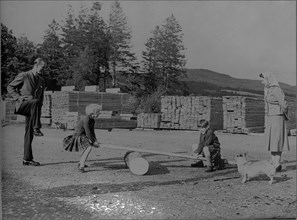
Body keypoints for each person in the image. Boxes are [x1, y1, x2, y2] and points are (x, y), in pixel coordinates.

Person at [7, 58, 46, 166]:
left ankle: (27, 159)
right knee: (35, 102)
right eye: (42, 68)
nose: (43, 70)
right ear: (36, 65)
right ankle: (37, 128)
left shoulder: (41, 80)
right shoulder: (24, 75)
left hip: (33, 108)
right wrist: (18, 98)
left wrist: (39, 109)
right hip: (23, 104)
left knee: (29, 134)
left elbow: (40, 98)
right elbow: (10, 87)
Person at [260, 71, 290, 172]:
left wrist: (283, 115)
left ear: (269, 79)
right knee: (272, 140)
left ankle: (277, 162)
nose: (262, 82)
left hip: (277, 117)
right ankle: (273, 162)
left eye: (263, 79)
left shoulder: (277, 89)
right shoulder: (267, 90)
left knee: (277, 140)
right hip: (270, 118)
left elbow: (284, 104)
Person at [63, 104, 102, 173]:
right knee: (89, 147)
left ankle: (81, 162)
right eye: (98, 112)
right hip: (78, 136)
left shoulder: (92, 120)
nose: (99, 114)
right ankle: (81, 165)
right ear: (92, 113)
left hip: (84, 136)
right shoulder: (86, 119)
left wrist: (96, 140)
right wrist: (93, 142)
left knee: (89, 147)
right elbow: (88, 132)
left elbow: (92, 131)